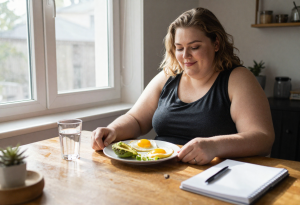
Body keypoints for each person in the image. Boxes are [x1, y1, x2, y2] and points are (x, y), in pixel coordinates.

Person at [91, 7, 274, 165]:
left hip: (214, 175)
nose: (185, 55)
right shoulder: (168, 76)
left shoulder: (237, 79)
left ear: (216, 43)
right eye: (179, 48)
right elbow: (136, 120)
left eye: (194, 47)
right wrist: (112, 130)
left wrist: (214, 146)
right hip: (163, 172)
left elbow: (263, 138)